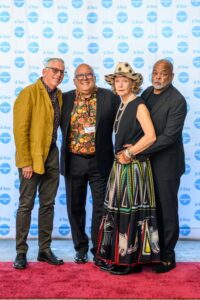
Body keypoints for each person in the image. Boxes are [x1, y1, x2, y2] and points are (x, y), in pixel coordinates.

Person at [96, 62, 160, 275]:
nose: (121, 84)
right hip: (120, 166)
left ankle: (129, 262)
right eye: (117, 81)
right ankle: (115, 256)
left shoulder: (138, 105)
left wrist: (130, 153)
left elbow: (151, 136)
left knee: (130, 213)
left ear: (134, 84)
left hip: (133, 168)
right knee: (118, 212)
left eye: (125, 81)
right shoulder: (121, 103)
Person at [60, 63, 120, 265]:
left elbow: (122, 122)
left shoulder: (109, 97)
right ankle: (80, 248)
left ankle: (98, 249)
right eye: (80, 76)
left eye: (89, 75)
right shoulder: (65, 99)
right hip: (74, 160)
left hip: (100, 161)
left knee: (101, 209)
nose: (85, 78)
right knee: (75, 207)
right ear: (74, 80)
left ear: (94, 77)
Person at [13, 58, 65, 269]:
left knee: (48, 204)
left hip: (52, 154)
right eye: (54, 70)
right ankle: (21, 252)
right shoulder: (29, 93)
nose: (58, 74)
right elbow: (20, 130)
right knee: (26, 204)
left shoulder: (59, 95)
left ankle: (44, 250)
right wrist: (25, 161)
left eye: (62, 71)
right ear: (44, 71)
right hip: (31, 157)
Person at [137, 59, 187, 273]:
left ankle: (168, 256)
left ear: (172, 76)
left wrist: (138, 150)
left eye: (163, 73)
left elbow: (169, 137)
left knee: (166, 210)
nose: (158, 76)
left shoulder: (177, 100)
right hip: (147, 162)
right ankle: (152, 252)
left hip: (167, 164)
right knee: (150, 210)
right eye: (155, 72)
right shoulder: (147, 93)